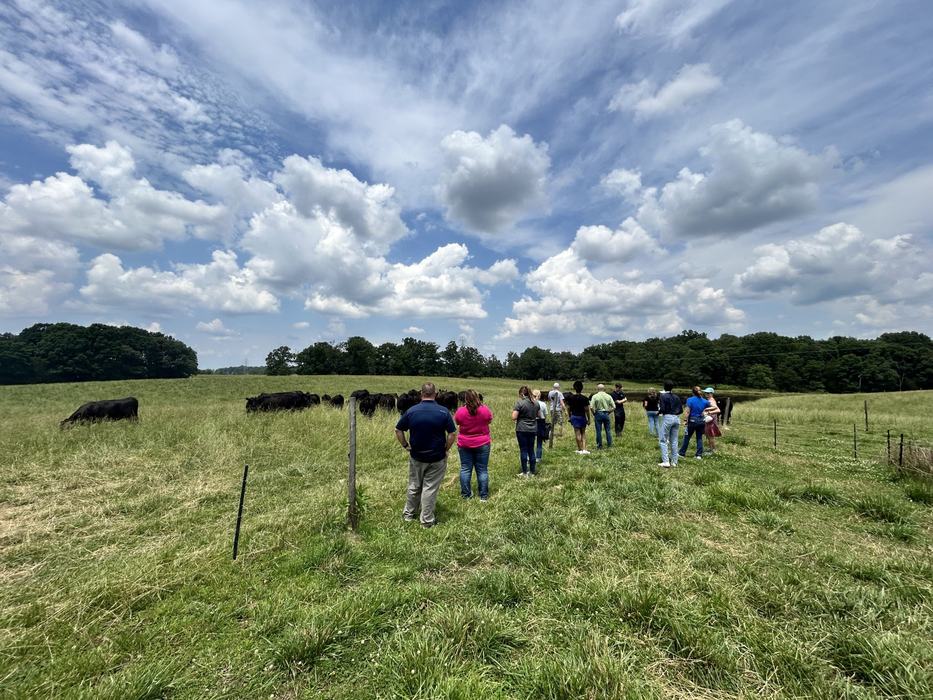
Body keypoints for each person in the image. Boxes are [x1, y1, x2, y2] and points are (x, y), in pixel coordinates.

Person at [395, 382, 457, 527]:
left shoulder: (411, 411)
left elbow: (398, 430)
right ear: (435, 394)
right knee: (430, 488)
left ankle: (408, 514)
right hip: (437, 457)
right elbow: (452, 434)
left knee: (414, 485)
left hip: (416, 455)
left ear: (421, 394)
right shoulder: (443, 412)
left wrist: (405, 445)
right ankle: (427, 520)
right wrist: (446, 449)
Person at [454, 389, 493, 501]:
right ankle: (483, 496)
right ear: (477, 397)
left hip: (465, 443)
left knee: (465, 469)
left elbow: (457, 422)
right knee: (482, 470)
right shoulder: (484, 409)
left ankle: (466, 495)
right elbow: (489, 420)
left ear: (465, 399)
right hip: (482, 443)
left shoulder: (461, 411)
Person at [512, 386, 539, 476]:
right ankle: (532, 471)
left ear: (522, 394)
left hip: (522, 429)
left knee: (523, 450)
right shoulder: (535, 403)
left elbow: (514, 417)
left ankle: (524, 472)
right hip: (533, 428)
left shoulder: (520, 403)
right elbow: (538, 415)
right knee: (531, 449)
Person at [679, 386, 711, 460]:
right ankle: (698, 455)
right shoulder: (705, 401)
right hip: (701, 421)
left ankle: (682, 453)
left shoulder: (690, 400)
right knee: (699, 438)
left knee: (687, 437)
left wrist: (685, 420)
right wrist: (707, 411)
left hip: (692, 421)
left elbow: (687, 411)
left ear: (693, 392)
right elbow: (714, 407)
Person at [657, 381, 683, 468]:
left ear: (664, 387)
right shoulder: (676, 397)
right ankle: (674, 462)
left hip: (668, 417)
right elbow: (681, 410)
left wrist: (659, 412)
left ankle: (666, 461)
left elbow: (663, 408)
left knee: (663, 440)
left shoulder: (663, 396)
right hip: (676, 418)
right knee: (674, 440)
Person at [563, 380, 591, 454]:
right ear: (582, 388)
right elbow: (587, 410)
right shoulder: (585, 398)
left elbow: (568, 408)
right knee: (583, 433)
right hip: (582, 416)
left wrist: (569, 417)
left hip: (574, 416)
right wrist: (589, 419)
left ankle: (580, 449)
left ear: (574, 388)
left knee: (577, 433)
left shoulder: (571, 398)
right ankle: (584, 449)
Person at [589, 383, 615, 449]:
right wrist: (609, 411)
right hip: (606, 413)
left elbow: (591, 407)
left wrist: (594, 413)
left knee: (598, 430)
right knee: (608, 430)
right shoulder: (608, 396)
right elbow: (614, 407)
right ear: (604, 389)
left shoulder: (595, 396)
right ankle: (609, 445)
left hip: (598, 413)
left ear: (598, 389)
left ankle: (599, 445)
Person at [532, 389, 549, 463]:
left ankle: (531, 456)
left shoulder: (530, 403)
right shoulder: (543, 404)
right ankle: (538, 457)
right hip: (540, 422)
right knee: (539, 441)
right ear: (539, 396)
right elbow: (545, 415)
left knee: (531, 441)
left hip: (531, 422)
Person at [702, 387, 722, 454]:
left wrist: (707, 411)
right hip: (709, 420)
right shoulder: (709, 399)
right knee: (708, 435)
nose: (706, 394)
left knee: (710, 436)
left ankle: (713, 450)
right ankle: (710, 448)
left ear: (711, 394)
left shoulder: (711, 400)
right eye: (705, 392)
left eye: (708, 393)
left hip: (711, 421)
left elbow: (717, 409)